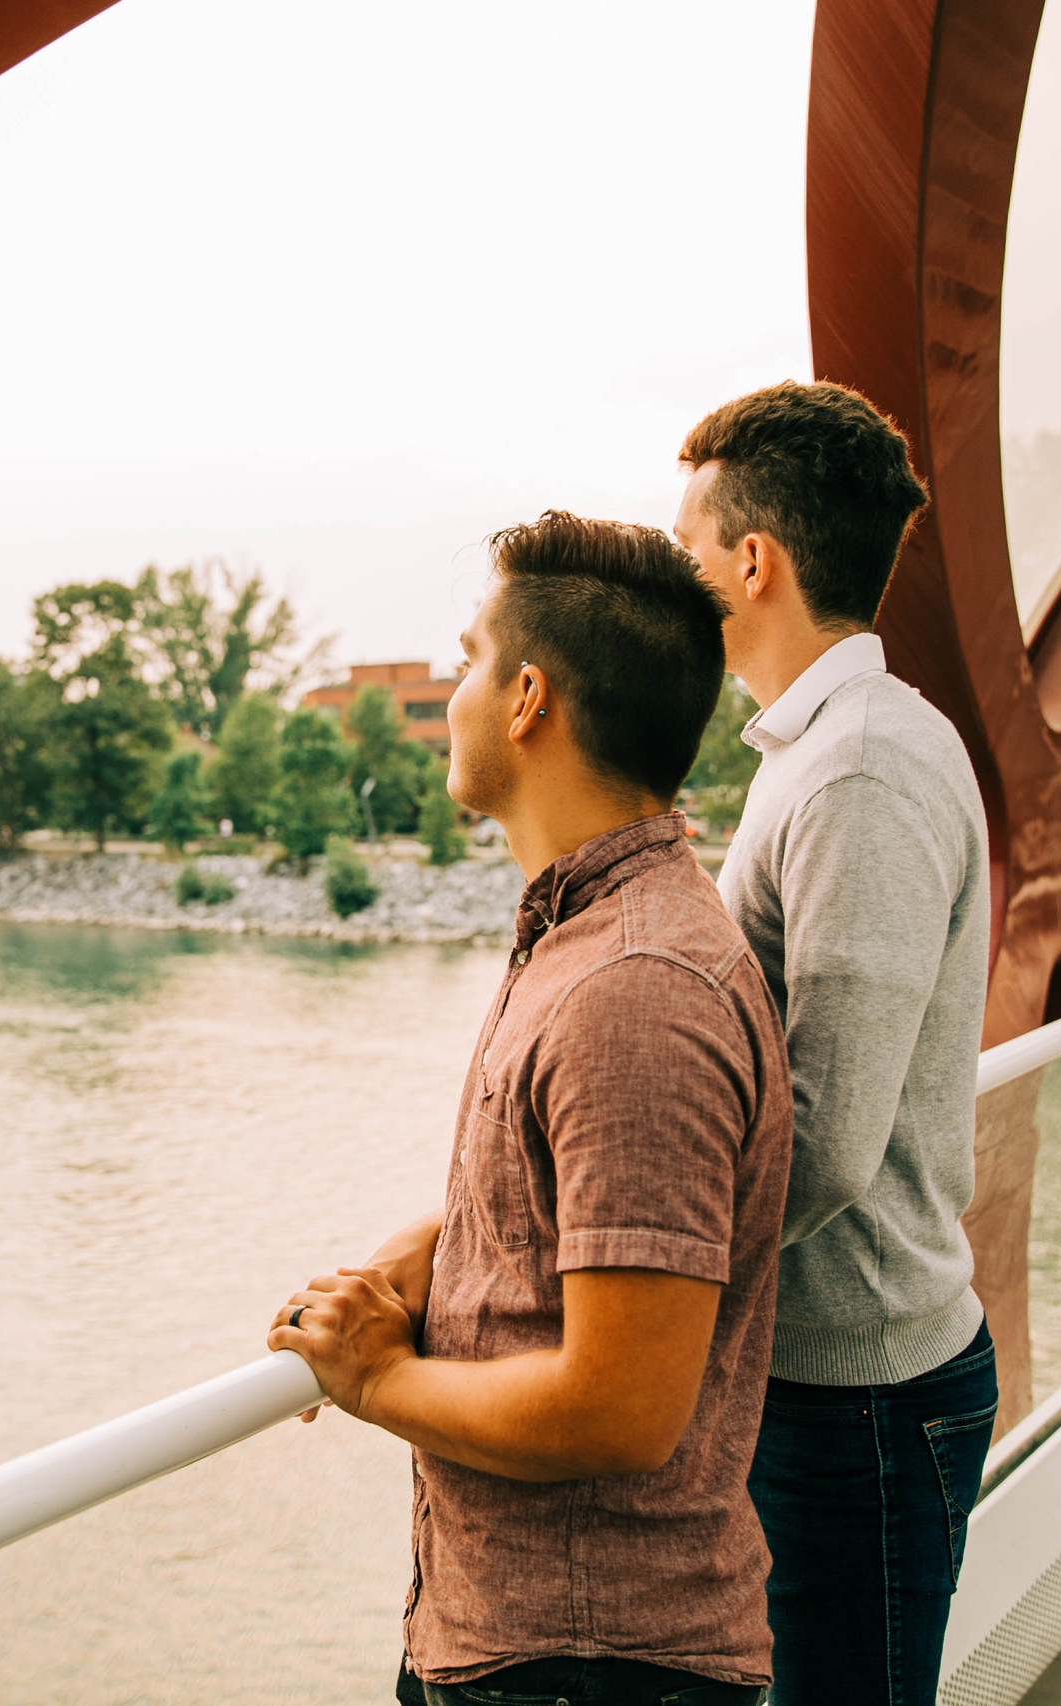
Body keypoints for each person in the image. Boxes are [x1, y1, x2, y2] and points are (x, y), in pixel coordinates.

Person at [268, 512, 795, 1706]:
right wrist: (441, 1245)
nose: (451, 693)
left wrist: (369, 1376)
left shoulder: (633, 991)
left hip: (585, 1665)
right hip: (543, 1649)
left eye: (464, 659)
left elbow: (618, 1405)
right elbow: (578, 1215)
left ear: (525, 699)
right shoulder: (592, 935)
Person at [672, 383, 995, 1706]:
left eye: (684, 543)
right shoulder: (821, 750)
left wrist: (628, 1289)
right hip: (830, 1381)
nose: (673, 572)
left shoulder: (860, 765)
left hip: (857, 1395)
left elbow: (828, 1135)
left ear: (754, 561)